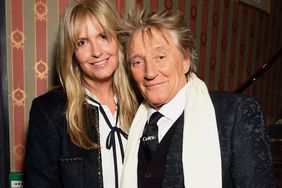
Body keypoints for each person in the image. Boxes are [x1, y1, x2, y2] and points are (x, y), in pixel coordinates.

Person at [119, 9, 275, 188]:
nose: (149, 72)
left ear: (185, 60)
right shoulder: (133, 124)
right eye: (137, 62)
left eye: (160, 57)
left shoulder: (234, 115)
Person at [23, 0, 138, 187]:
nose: (96, 51)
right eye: (82, 42)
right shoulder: (49, 112)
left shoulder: (141, 101)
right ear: (72, 53)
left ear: (117, 40)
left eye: (103, 36)